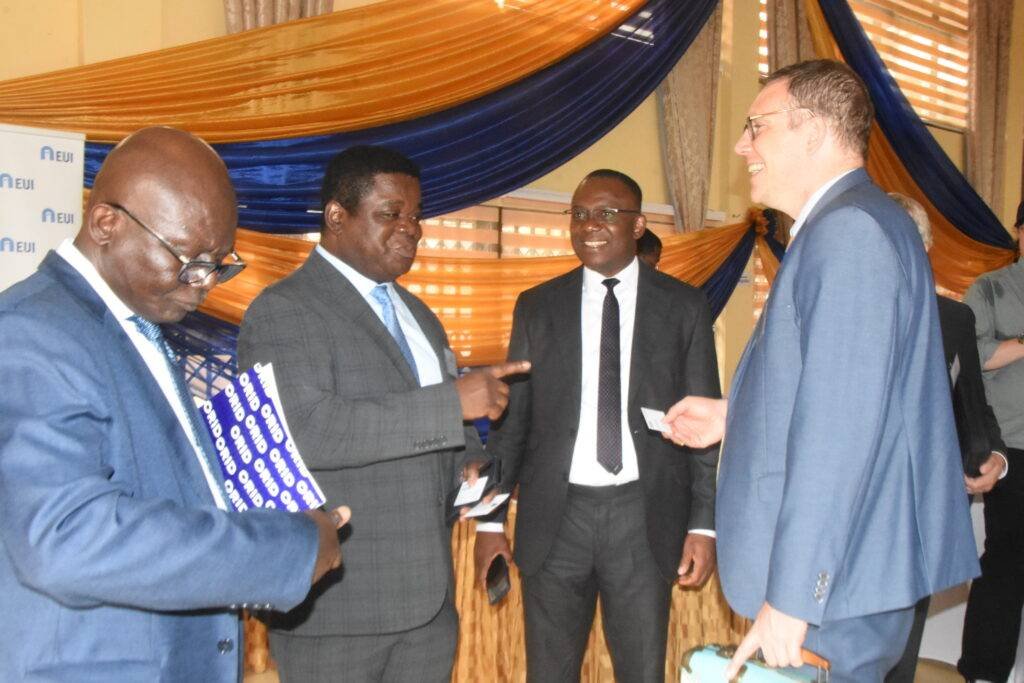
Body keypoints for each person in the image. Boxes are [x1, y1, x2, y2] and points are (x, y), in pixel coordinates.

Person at [664, 60, 978, 681]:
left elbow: (838, 435)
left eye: (756, 125)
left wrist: (794, 595)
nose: (740, 144)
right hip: (849, 576)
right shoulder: (855, 223)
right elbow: (854, 395)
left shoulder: (849, 233)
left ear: (813, 131)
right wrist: (735, 415)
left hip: (835, 586)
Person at [0, 126, 349, 682]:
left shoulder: (132, 322)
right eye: (186, 259)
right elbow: (64, 536)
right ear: (106, 223)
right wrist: (286, 550)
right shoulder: (33, 333)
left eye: (218, 262)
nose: (203, 283)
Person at [237, 145, 529, 683]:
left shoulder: (419, 315)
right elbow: (307, 430)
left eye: (415, 216)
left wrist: (468, 461)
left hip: (428, 605)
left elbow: (446, 426)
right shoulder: (284, 310)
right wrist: (453, 403)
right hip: (340, 608)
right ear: (336, 216)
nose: (410, 229)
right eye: (390, 213)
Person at [473, 169, 720, 682]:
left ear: (638, 224)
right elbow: (511, 427)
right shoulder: (537, 306)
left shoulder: (683, 307)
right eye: (580, 214)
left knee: (640, 671)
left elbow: (705, 425)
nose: (590, 224)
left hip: (642, 517)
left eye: (606, 213)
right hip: (555, 519)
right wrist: (490, 522)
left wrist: (703, 525)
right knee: (550, 672)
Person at [884, 193, 1007, 683]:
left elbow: (973, 404)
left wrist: (992, 453)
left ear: (925, 246)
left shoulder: (955, 320)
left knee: (901, 644)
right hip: (845, 509)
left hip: (919, 507)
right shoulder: (835, 309)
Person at [958, 200, 1024, 683]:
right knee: (1008, 559)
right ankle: (983, 673)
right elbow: (970, 355)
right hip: (1013, 447)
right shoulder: (992, 288)